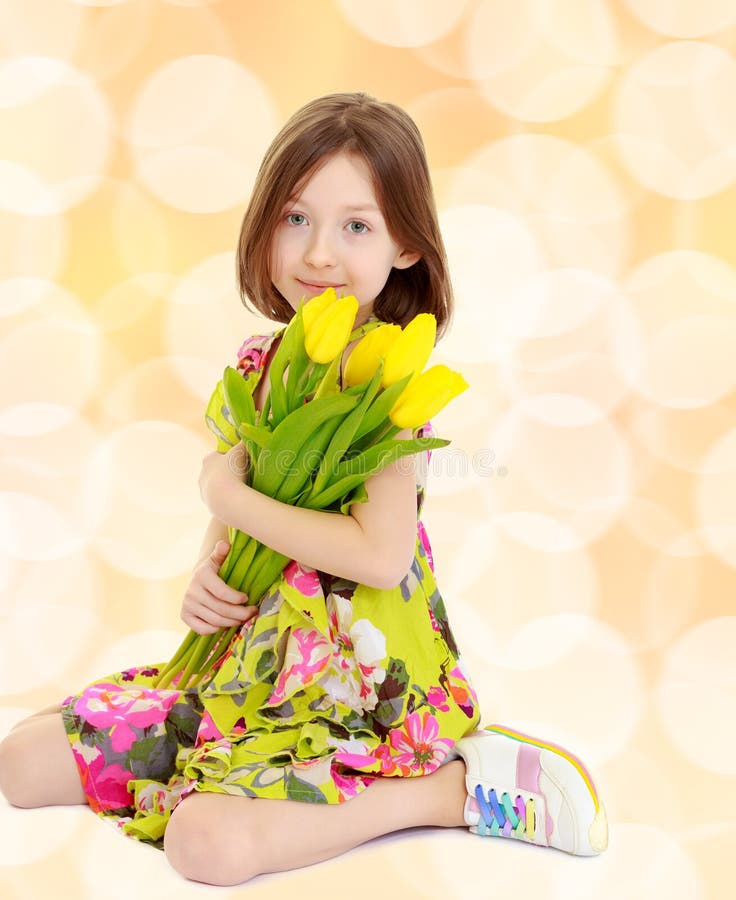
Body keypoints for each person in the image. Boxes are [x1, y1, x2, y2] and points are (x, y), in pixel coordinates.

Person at [0, 91, 608, 886]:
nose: (319, 254)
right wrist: (205, 577)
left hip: (356, 692)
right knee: (21, 765)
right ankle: (213, 763)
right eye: (296, 219)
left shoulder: (388, 385)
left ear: (406, 248)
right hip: (243, 672)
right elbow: (234, 525)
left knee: (203, 847)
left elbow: (381, 558)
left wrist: (228, 499)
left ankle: (443, 791)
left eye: (355, 226)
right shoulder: (260, 365)